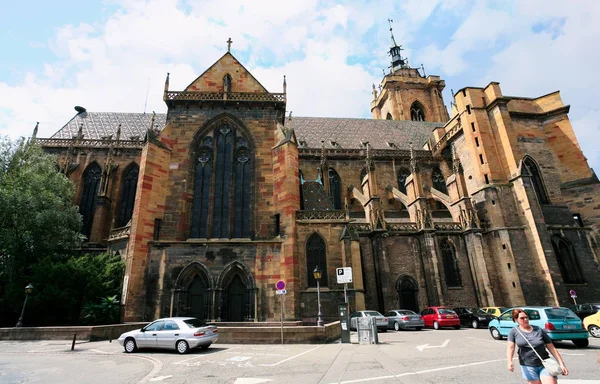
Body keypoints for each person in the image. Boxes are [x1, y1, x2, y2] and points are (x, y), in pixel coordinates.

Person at [506, 308, 569, 383]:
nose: (525, 319)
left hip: (544, 363)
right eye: (522, 318)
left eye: (527, 317)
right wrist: (510, 361)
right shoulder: (514, 332)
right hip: (528, 365)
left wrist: (562, 364)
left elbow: (552, 348)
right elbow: (510, 348)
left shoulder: (538, 330)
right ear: (515, 319)